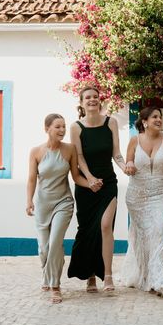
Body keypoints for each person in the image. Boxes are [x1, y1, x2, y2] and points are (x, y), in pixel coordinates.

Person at [66, 87, 126, 293]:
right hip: (86, 186)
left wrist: (125, 165)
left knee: (106, 225)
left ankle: (108, 275)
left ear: (99, 101)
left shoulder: (111, 123)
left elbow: (116, 153)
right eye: (87, 97)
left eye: (95, 97)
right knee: (88, 230)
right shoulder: (76, 127)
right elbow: (79, 156)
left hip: (108, 183)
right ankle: (90, 276)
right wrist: (90, 178)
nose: (92, 100)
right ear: (82, 103)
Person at [26, 113, 85, 304]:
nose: (62, 130)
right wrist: (29, 201)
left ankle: (55, 285)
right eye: (57, 127)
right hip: (43, 204)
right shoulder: (36, 152)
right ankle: (47, 273)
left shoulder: (69, 150)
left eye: (63, 126)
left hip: (64, 202)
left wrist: (91, 182)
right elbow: (31, 179)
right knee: (44, 248)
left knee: (55, 242)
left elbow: (75, 177)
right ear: (47, 129)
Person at [121, 106, 163, 298]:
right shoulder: (134, 141)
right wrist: (128, 164)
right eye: (155, 117)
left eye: (160, 117)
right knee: (143, 237)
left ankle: (160, 280)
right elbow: (128, 162)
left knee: (160, 230)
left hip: (161, 193)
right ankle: (145, 276)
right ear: (144, 121)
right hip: (137, 196)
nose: (159, 120)